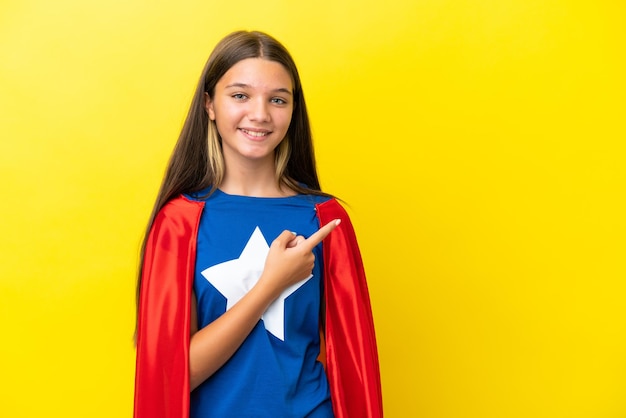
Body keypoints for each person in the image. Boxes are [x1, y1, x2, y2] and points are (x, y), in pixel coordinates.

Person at [134, 30, 382, 418]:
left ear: (292, 110)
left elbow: (355, 364)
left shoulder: (326, 219)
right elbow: (173, 375)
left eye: (277, 99)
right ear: (209, 105)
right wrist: (271, 283)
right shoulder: (181, 222)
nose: (260, 113)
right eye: (240, 95)